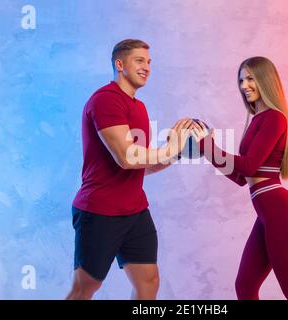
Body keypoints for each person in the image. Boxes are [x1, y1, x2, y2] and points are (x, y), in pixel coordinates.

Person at [66, 39, 198, 300]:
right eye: (139, 61)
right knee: (85, 288)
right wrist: (172, 147)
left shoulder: (138, 107)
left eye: (149, 62)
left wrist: (178, 152)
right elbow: (126, 158)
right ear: (120, 64)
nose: (146, 67)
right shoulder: (106, 100)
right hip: (100, 210)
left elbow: (140, 167)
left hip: (135, 210)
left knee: (149, 282)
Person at [197, 56, 288, 300]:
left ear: (265, 80)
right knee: (245, 287)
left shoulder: (274, 117)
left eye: (250, 78)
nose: (244, 85)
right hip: (267, 214)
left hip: (281, 212)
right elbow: (241, 177)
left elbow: (249, 166)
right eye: (241, 80)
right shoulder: (258, 119)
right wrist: (206, 149)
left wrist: (207, 144)